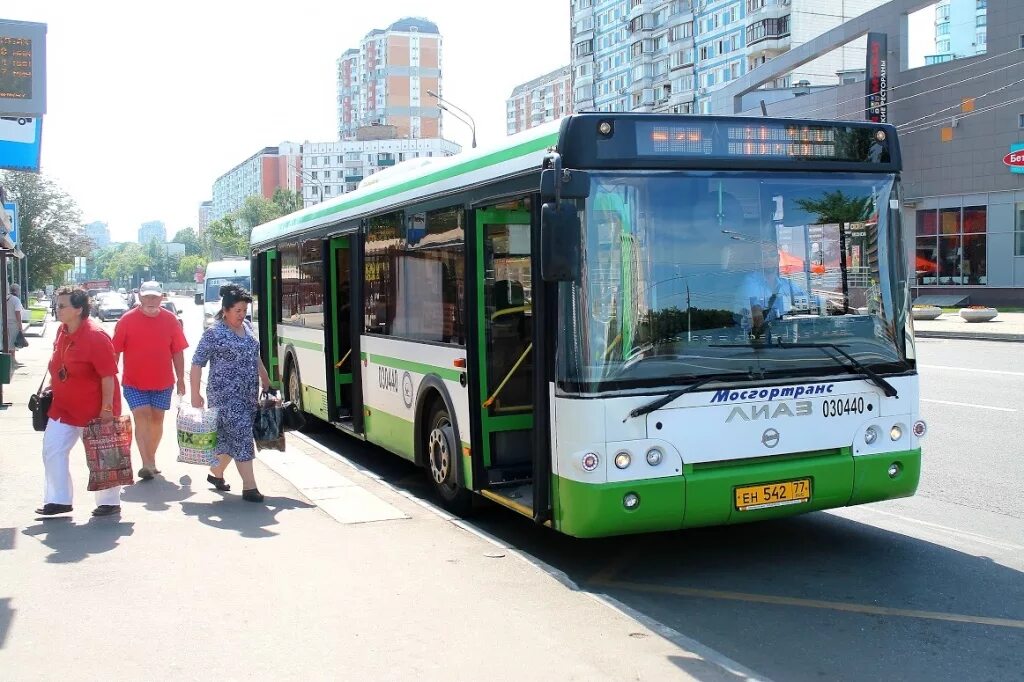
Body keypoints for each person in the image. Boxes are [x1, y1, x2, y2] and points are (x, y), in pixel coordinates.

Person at [35, 287, 124, 517]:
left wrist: (106, 409)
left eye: (62, 305)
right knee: (52, 450)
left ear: (79, 309)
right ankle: (59, 500)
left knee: (102, 455)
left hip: (94, 409)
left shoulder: (95, 335)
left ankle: (109, 501)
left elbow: (108, 376)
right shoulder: (61, 331)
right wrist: (53, 385)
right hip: (63, 408)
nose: (57, 308)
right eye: (57, 304)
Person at [190, 284, 270, 502]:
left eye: (244, 310)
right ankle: (250, 487)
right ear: (225, 310)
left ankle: (215, 474)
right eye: (238, 311)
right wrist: (194, 394)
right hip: (224, 395)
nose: (241, 315)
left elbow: (254, 355)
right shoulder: (214, 333)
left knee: (227, 440)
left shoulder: (248, 327)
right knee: (242, 434)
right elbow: (197, 363)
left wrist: (265, 378)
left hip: (248, 394)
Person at [112, 280, 188, 480]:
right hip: (134, 382)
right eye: (147, 297)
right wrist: (109, 378)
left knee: (157, 420)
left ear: (162, 297)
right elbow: (115, 352)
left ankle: (151, 459)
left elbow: (177, 352)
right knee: (142, 416)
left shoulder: (171, 320)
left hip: (163, 382)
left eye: (155, 296)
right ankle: (146, 462)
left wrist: (181, 378)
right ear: (140, 297)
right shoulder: (126, 321)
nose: (151, 300)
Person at [734, 242, 809, 339]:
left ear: (778, 258)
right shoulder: (750, 282)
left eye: (772, 255)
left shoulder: (787, 284)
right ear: (758, 260)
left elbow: (809, 303)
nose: (768, 258)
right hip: (758, 340)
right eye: (764, 255)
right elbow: (756, 317)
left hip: (787, 339)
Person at [6, 283, 24, 365]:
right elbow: (17, 312)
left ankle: (10, 359)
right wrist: (20, 324)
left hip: (6, 322)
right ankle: (13, 360)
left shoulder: (6, 298)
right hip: (14, 323)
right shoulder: (16, 299)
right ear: (16, 290)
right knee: (12, 342)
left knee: (8, 341)